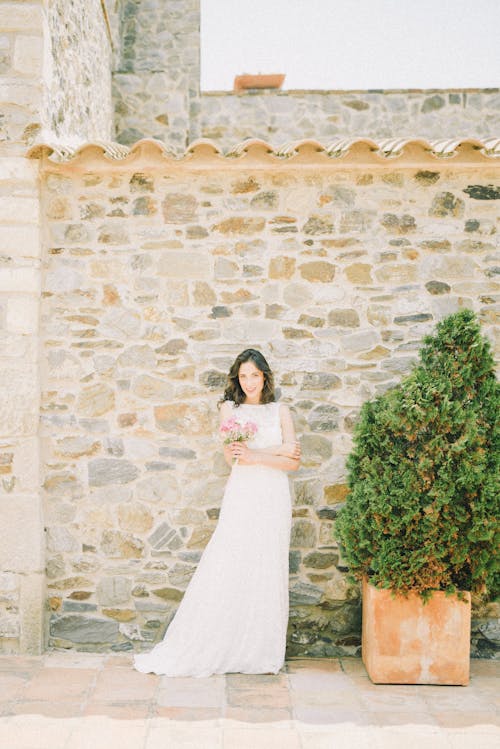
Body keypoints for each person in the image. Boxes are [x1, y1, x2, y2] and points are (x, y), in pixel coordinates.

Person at [133, 348, 300, 677]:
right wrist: (272, 451)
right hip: (244, 493)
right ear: (237, 379)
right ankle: (218, 640)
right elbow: (233, 458)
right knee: (231, 558)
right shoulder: (230, 409)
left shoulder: (281, 411)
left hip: (274, 496)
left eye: (254, 375)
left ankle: (260, 649)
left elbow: (293, 461)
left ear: (265, 376)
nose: (249, 382)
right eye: (243, 376)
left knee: (268, 563)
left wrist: (260, 454)